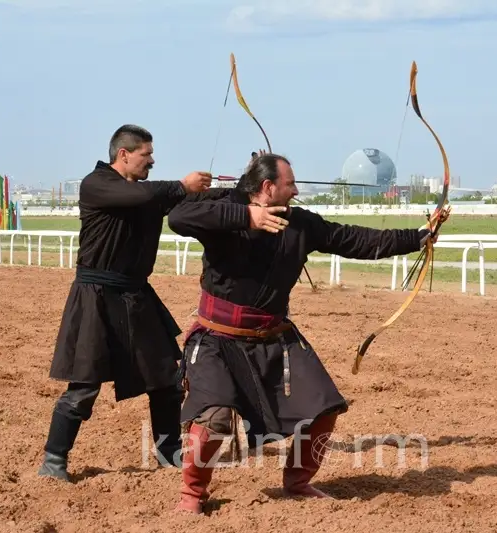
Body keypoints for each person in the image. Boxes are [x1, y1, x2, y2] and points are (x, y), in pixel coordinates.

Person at [166, 152, 449, 514]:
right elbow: (179, 217)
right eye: (290, 184)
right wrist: (248, 216)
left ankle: (298, 482)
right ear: (267, 187)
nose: (297, 191)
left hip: (273, 337)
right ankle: (192, 494)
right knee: (214, 418)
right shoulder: (227, 212)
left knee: (323, 408)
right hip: (217, 339)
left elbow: (352, 239)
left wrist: (418, 237)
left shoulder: (299, 224)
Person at [37, 125, 291, 482]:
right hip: (96, 297)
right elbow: (145, 195)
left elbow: (199, 201)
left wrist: (247, 184)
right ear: (123, 154)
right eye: (146, 154)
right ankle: (53, 461)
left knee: (167, 380)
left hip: (136, 296)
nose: (152, 160)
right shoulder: (97, 184)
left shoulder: (147, 194)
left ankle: (168, 451)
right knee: (84, 389)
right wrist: (182, 185)